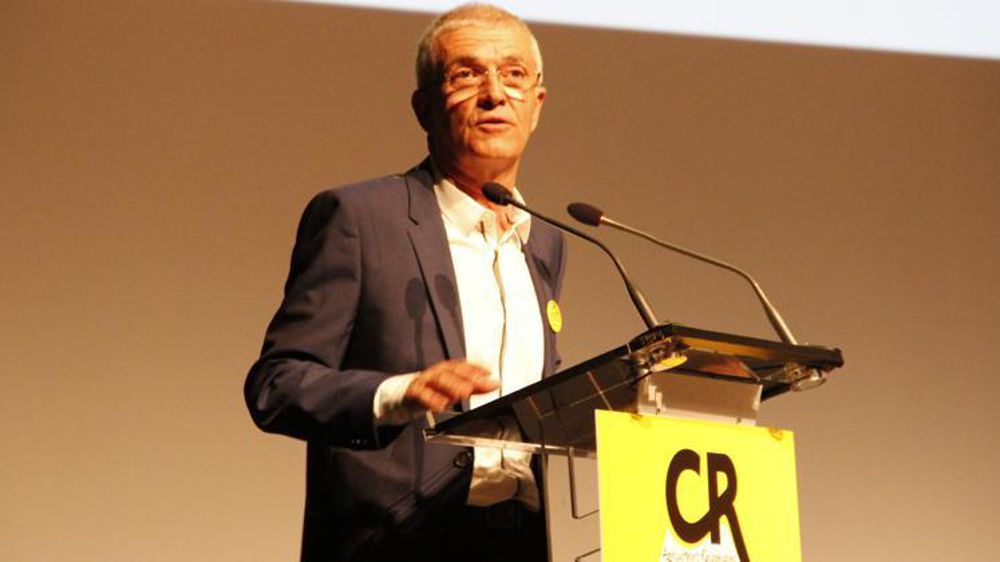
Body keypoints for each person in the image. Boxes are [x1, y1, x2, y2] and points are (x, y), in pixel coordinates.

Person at [244, 4, 565, 561]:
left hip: (517, 541)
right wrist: (396, 394)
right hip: (393, 545)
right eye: (466, 74)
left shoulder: (546, 243)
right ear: (424, 107)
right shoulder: (360, 218)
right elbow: (276, 386)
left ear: (536, 105)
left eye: (514, 74)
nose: (494, 93)